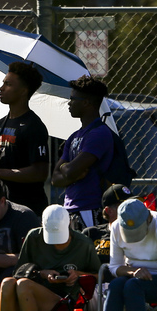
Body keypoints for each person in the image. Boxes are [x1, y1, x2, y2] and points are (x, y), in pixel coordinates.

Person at [0, 204, 101, 311]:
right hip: (29, 294)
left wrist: (77, 274)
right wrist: (41, 274)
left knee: (23, 284)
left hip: (62, 301)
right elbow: (18, 272)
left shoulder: (83, 243)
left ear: (69, 225)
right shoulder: (34, 237)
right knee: (7, 282)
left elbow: (99, 275)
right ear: (42, 225)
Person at [0, 62, 50, 216]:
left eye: (8, 84)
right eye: (3, 83)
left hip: (28, 209)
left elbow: (40, 172)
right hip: (4, 207)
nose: (1, 88)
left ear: (24, 91)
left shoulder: (33, 125)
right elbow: (7, 163)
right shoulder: (1, 123)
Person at [51, 75, 114, 229]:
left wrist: (67, 168)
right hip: (70, 209)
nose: (69, 103)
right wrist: (71, 171)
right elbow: (55, 178)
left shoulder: (99, 133)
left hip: (89, 207)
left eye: (73, 99)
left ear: (86, 103)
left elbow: (70, 171)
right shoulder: (74, 136)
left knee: (91, 251)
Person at [83, 184, 135, 265]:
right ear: (109, 211)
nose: (132, 209)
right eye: (126, 206)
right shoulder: (92, 233)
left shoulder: (140, 233)